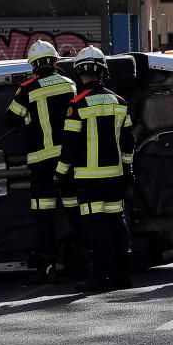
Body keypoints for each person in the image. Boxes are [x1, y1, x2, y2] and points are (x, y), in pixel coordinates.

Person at [55, 46, 134, 292]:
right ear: (103, 72)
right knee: (117, 224)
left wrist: (60, 173)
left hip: (88, 180)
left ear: (79, 72)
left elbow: (70, 144)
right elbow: (128, 141)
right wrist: (128, 168)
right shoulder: (119, 102)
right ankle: (122, 276)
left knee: (96, 228)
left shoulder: (76, 104)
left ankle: (100, 277)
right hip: (115, 176)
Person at [6, 40, 76, 282]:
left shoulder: (27, 89)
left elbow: (11, 119)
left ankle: (48, 268)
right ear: (55, 61)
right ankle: (84, 263)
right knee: (75, 211)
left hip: (42, 164)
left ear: (34, 64)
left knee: (44, 216)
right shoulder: (70, 85)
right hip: (69, 161)